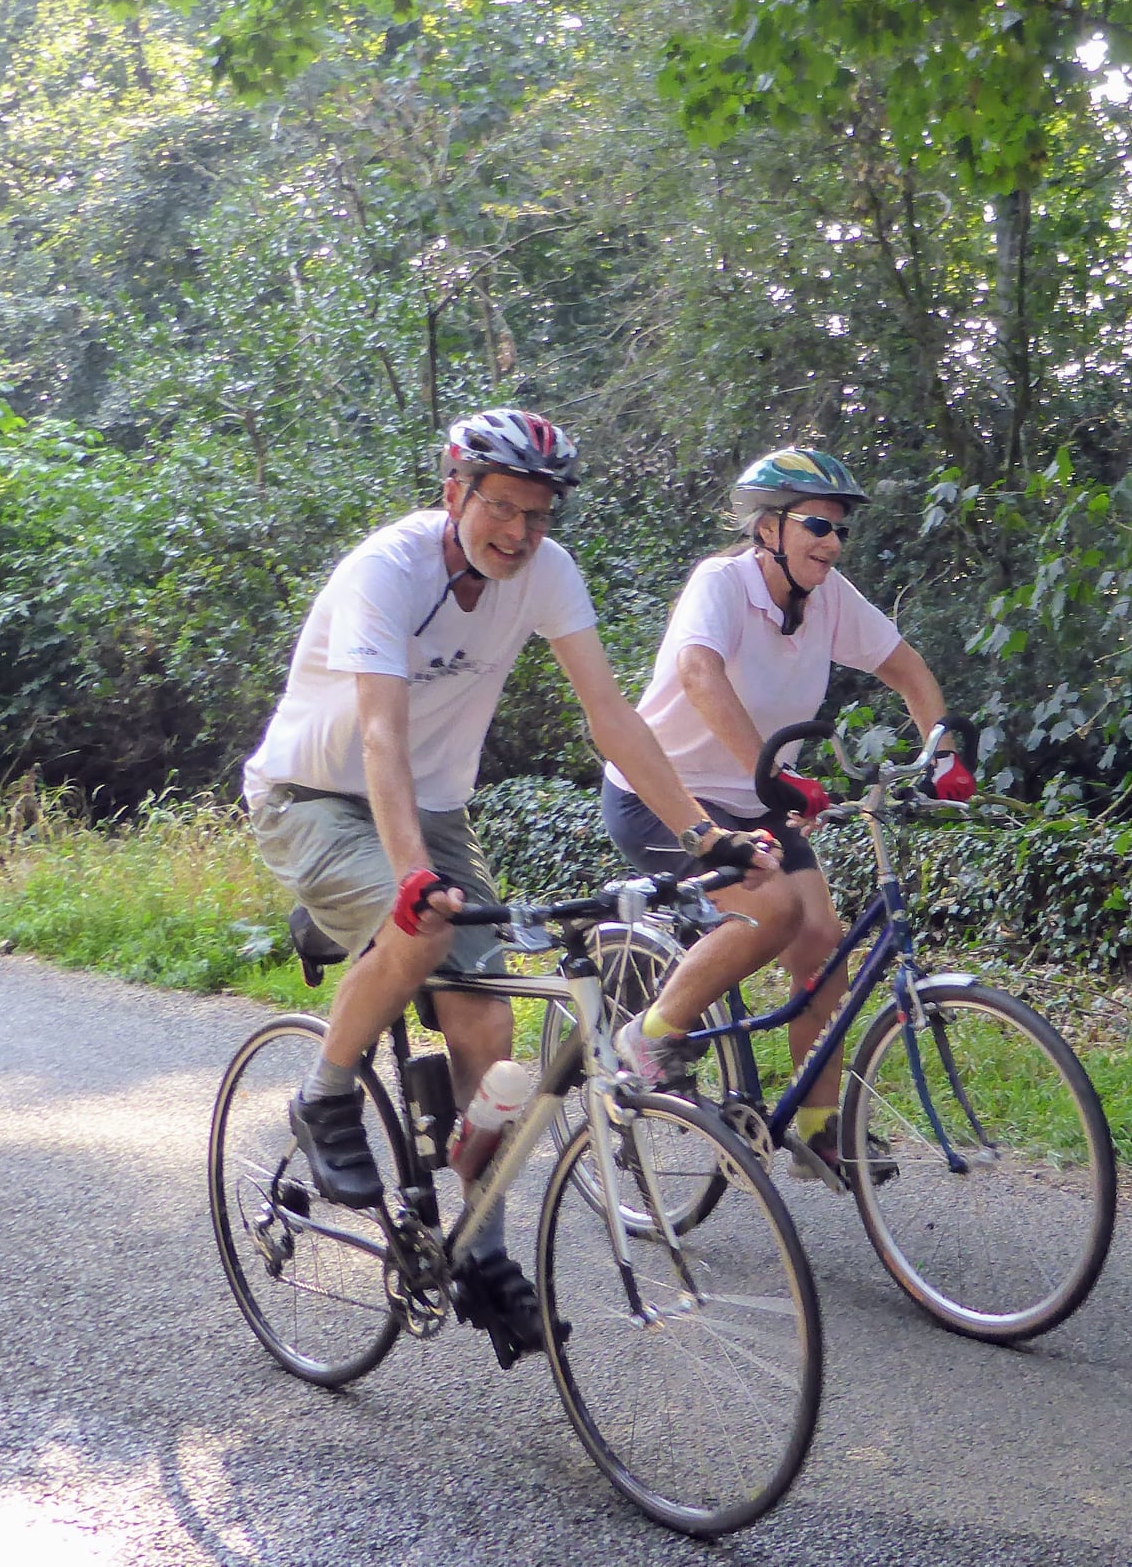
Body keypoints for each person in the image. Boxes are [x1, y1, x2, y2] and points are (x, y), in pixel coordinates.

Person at [242, 409, 779, 1361]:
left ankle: (479, 1249)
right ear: (454, 493)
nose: (519, 533)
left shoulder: (547, 573)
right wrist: (410, 878)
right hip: (314, 795)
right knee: (422, 935)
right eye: (500, 508)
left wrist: (704, 834)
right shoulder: (388, 570)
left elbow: (608, 712)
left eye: (536, 514)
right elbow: (379, 736)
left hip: (433, 807)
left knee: (489, 1035)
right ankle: (324, 1093)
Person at [602, 447, 975, 1181]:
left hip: (756, 796)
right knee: (770, 909)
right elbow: (697, 674)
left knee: (822, 940)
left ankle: (816, 1127)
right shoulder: (721, 583)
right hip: (665, 795)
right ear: (766, 528)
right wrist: (772, 772)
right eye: (817, 524)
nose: (832, 544)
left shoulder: (828, 596)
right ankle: (651, 1035)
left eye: (838, 529)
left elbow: (907, 669)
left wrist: (941, 757)